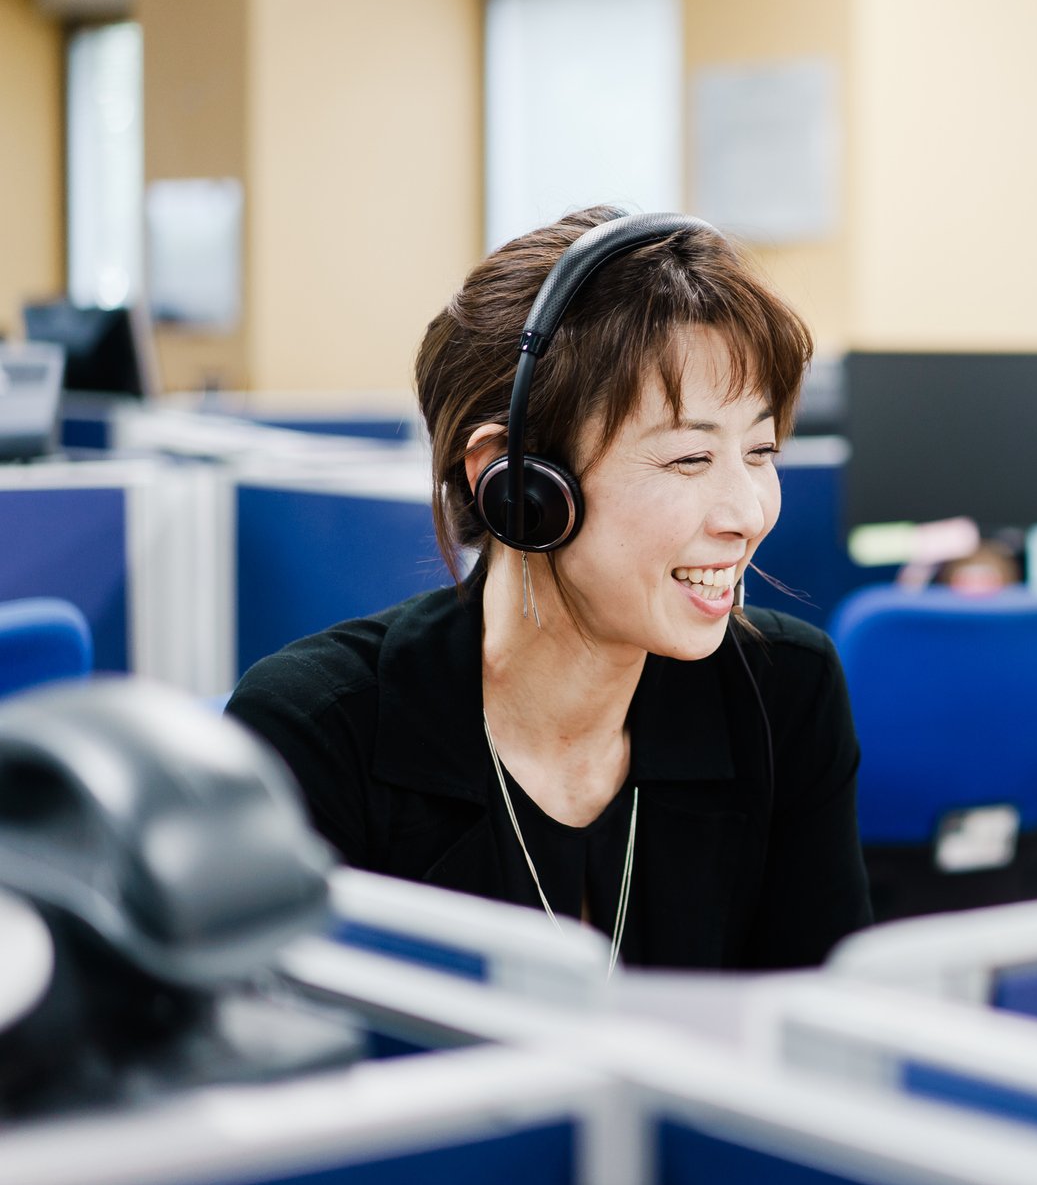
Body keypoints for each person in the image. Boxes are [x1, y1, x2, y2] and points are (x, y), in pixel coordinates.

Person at [227, 207, 871, 970]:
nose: (749, 513)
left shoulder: (781, 695)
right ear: (518, 482)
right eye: (690, 459)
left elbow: (825, 1037)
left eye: (760, 450)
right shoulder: (316, 733)